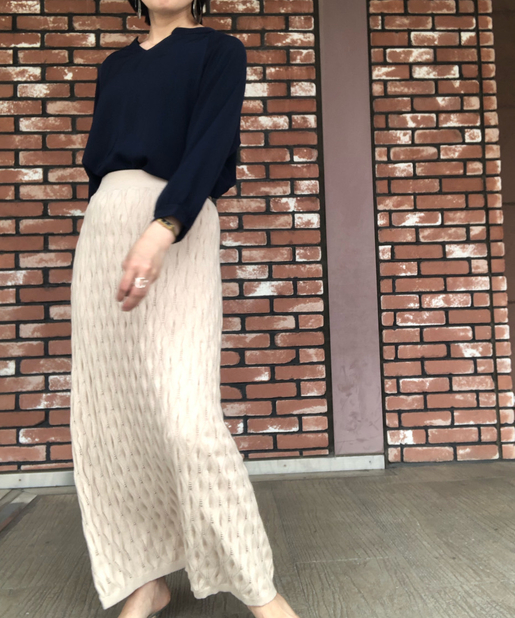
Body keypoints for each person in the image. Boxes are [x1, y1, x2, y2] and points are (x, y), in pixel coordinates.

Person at [70, 1, 302, 617]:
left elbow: (211, 147)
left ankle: (260, 592)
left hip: (177, 224)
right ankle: (145, 577)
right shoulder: (115, 66)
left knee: (186, 418)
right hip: (105, 231)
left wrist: (164, 224)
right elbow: (99, 162)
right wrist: (114, 223)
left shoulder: (218, 52)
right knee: (114, 416)